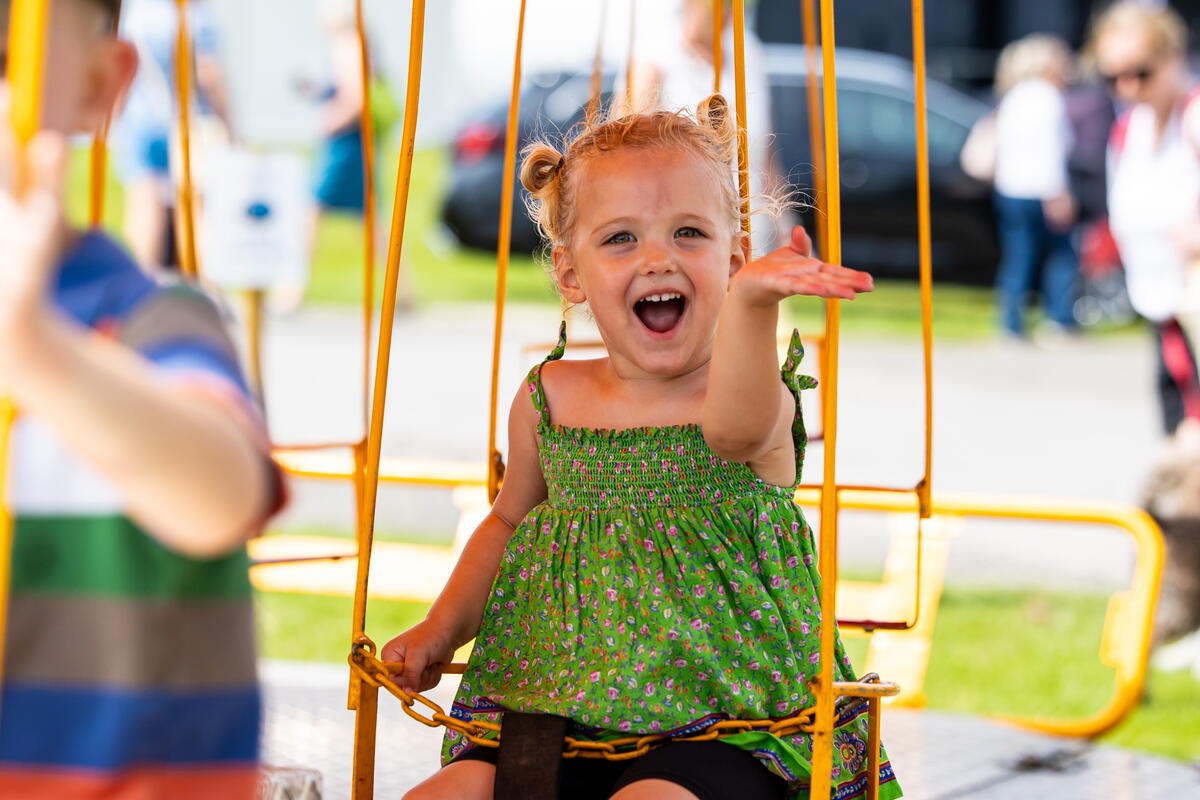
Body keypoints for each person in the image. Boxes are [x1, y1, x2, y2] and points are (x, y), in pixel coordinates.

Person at [384, 96, 900, 800]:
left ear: (733, 260)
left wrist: (753, 308)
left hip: (730, 728)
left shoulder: (752, 399)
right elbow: (505, 523)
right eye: (621, 239)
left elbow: (735, 432)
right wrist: (440, 631)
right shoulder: (551, 397)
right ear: (572, 274)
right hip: (551, 712)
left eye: (689, 233)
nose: (658, 258)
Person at [0, 1, 283, 797]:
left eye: (1, 58)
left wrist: (38, 352)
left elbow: (222, 493)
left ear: (98, 85)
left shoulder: (151, 321)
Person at [1090, 2, 1200, 436]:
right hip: (1164, 308)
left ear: (1173, 58)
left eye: (1141, 72)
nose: (1127, 87)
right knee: (1178, 443)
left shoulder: (1192, 117)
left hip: (1191, 305)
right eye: (1112, 77)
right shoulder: (1128, 129)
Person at [619, 0, 780, 256]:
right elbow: (628, 148)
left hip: (750, 232)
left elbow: (765, 152)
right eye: (721, 4)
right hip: (680, 233)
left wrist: (785, 226)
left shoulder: (749, 51)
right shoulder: (656, 52)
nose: (731, 11)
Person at [111, 0, 233, 272]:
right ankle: (201, 281)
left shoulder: (137, 16)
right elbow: (209, 74)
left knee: (145, 205)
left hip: (141, 121)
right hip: (189, 122)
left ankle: (140, 283)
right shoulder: (195, 17)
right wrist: (229, 123)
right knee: (194, 208)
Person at [990, 34, 1079, 340]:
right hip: (1042, 188)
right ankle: (1059, 317)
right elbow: (1052, 150)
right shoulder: (1049, 97)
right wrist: (1060, 193)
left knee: (1018, 257)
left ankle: (1010, 323)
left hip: (1009, 188)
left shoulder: (1013, 96)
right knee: (1060, 256)